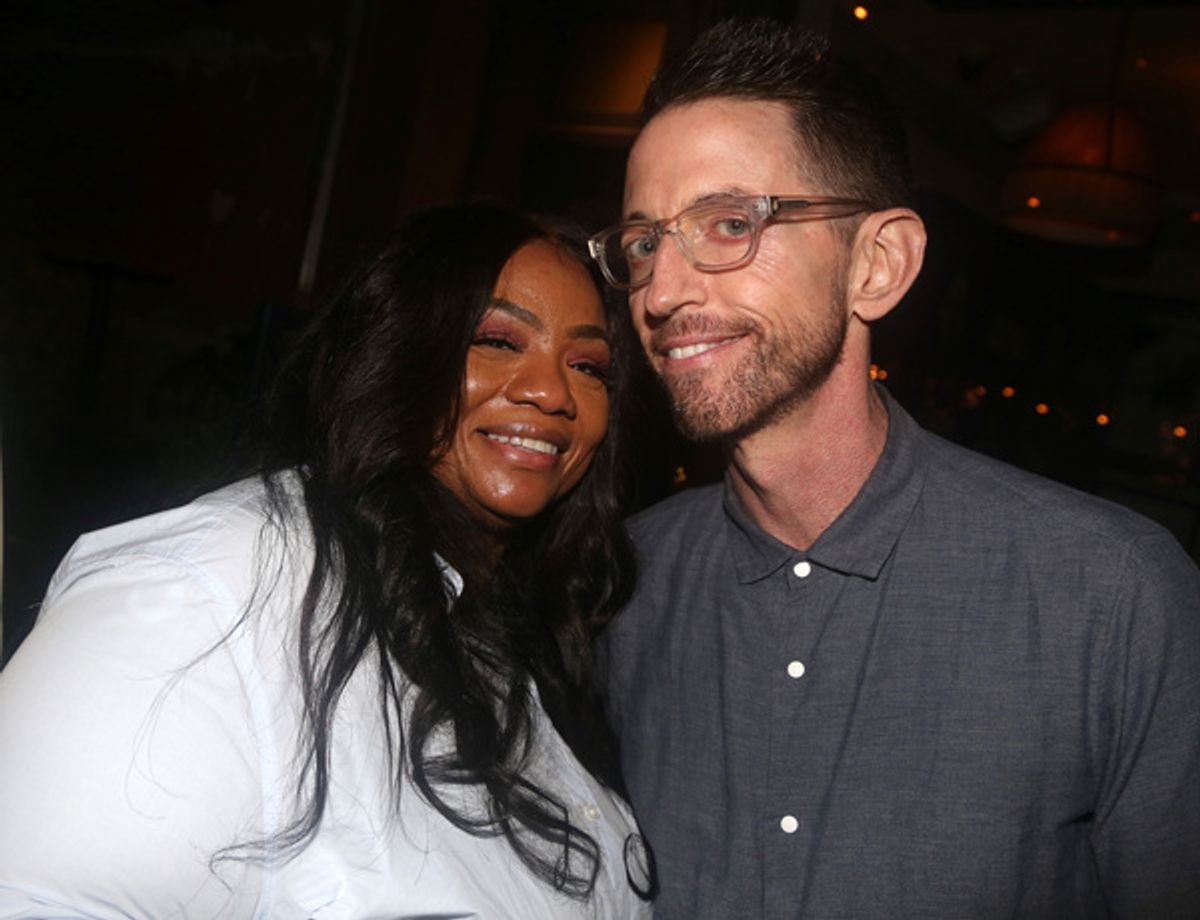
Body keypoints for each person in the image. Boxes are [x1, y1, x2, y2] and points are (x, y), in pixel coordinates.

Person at [590, 18, 1200, 920]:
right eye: (644, 243)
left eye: (728, 223)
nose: (665, 290)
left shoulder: (1111, 596)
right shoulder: (621, 582)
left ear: (878, 265)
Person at [0, 203, 653, 918]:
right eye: (497, 340)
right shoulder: (209, 593)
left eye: (588, 365)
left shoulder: (521, 635)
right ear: (394, 350)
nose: (552, 392)